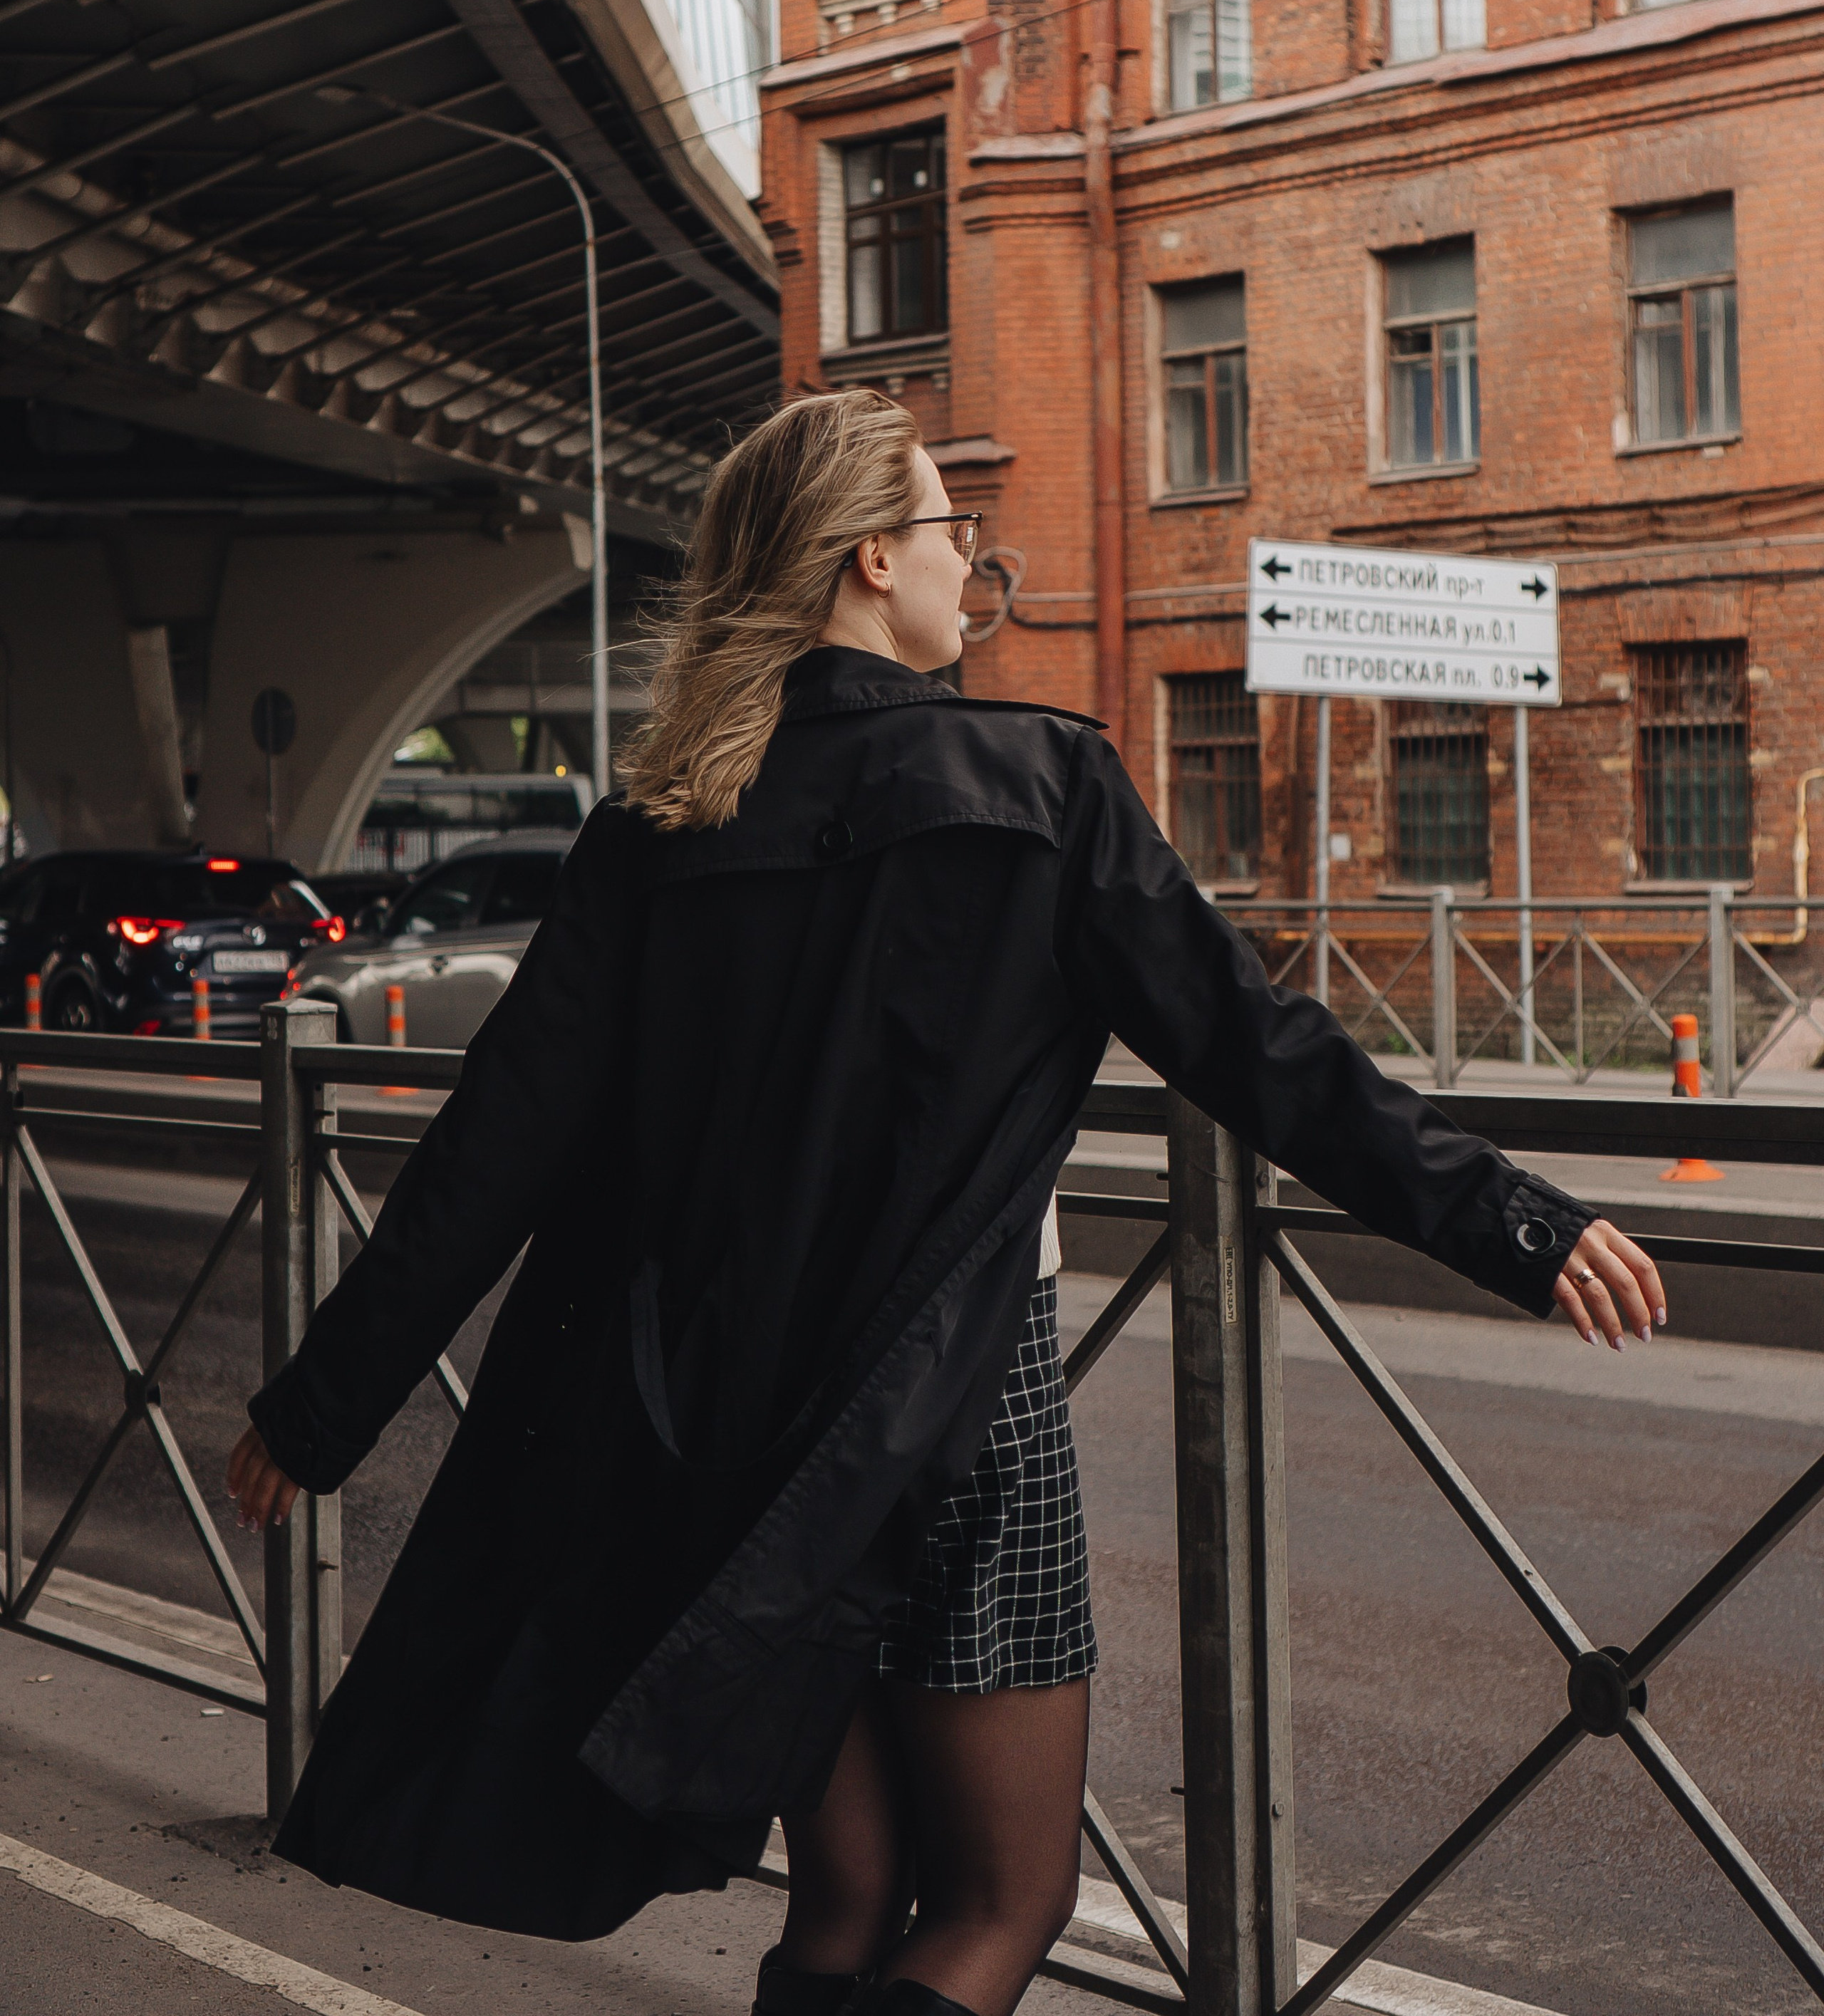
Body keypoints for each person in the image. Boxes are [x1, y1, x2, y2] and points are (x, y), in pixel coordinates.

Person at [227, 388, 1663, 2016]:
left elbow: (500, 1140)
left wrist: (321, 1407)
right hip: (959, 1413)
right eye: (946, 533)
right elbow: (1264, 1059)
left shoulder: (657, 825)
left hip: (734, 1434)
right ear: (867, 561)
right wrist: (1518, 1228)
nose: (963, 566)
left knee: (846, 1896)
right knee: (1000, 1900)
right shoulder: (1037, 783)